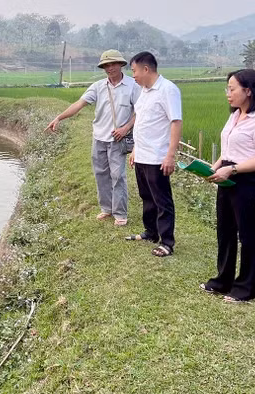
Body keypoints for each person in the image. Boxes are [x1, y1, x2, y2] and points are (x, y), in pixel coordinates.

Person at [201, 69, 255, 303]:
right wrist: (214, 167)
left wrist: (232, 169)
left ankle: (244, 288)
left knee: (248, 235)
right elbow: (228, 151)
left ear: (248, 91)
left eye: (232, 89)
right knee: (224, 232)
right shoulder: (234, 115)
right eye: (227, 88)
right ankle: (223, 281)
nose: (228, 93)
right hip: (226, 177)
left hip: (247, 182)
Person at [46, 49, 139, 226]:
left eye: (112, 64)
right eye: (105, 65)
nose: (109, 68)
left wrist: (125, 128)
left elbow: (140, 111)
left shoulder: (132, 86)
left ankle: (120, 213)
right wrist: (59, 117)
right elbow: (79, 104)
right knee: (101, 174)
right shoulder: (98, 86)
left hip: (118, 139)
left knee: (118, 176)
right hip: (99, 138)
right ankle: (106, 209)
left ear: (120, 64)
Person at [125, 51, 182, 257]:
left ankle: (167, 242)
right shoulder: (145, 92)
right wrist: (134, 150)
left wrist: (170, 155)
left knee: (162, 200)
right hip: (142, 155)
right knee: (146, 196)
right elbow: (141, 123)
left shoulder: (168, 90)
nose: (133, 76)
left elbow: (175, 121)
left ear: (146, 69)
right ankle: (151, 231)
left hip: (158, 156)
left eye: (134, 71)